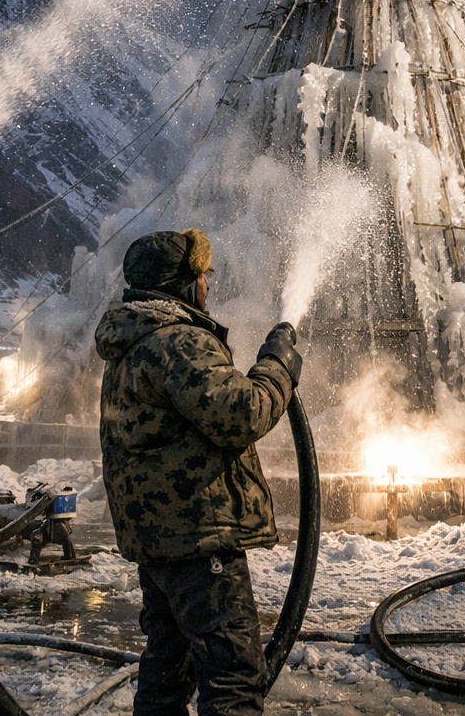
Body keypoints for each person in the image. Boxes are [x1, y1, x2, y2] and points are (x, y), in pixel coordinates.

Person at [96, 228, 302, 716]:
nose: (208, 285)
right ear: (182, 284)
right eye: (202, 275)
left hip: (159, 542)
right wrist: (278, 364)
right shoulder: (179, 341)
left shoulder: (131, 341)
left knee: (167, 670)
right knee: (232, 678)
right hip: (199, 538)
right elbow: (243, 414)